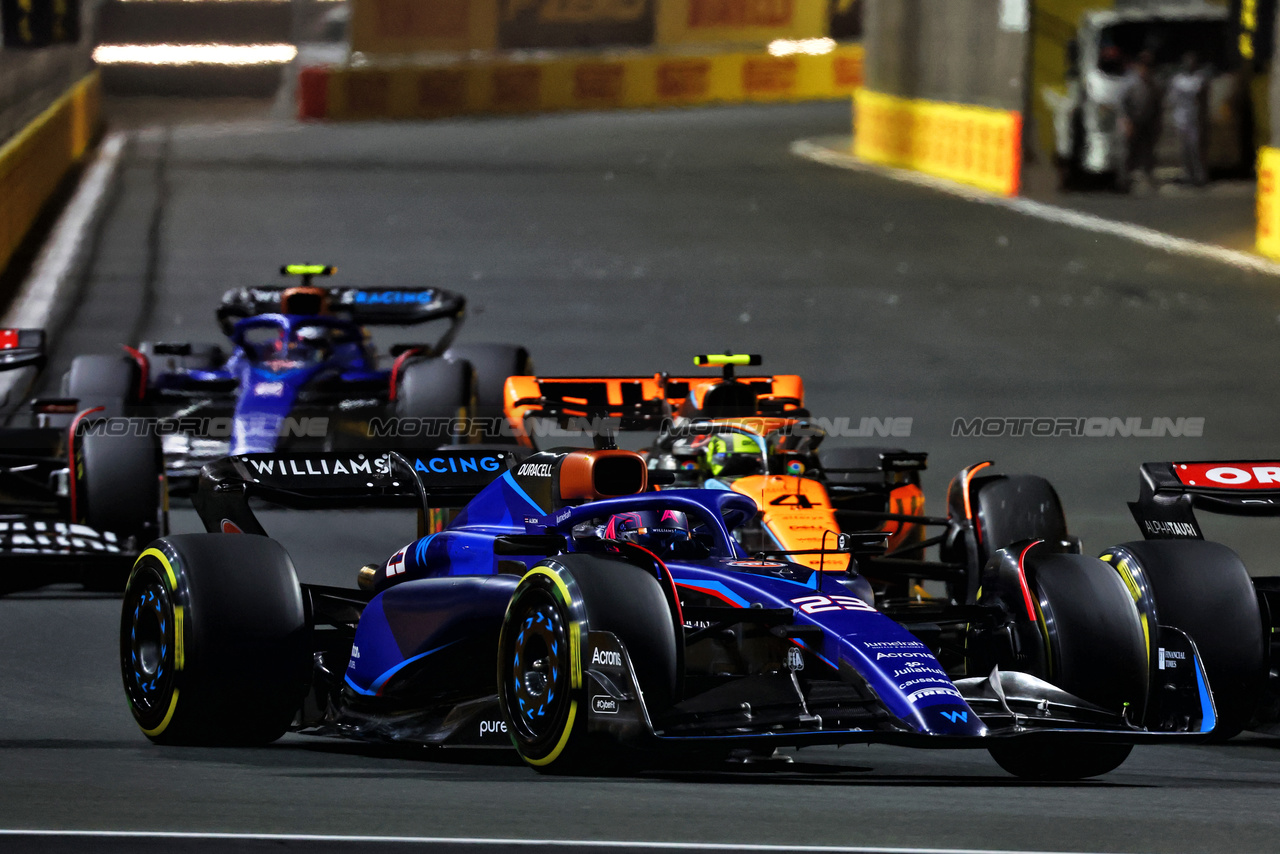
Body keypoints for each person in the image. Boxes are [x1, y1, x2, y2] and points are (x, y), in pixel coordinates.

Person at [1119, 51, 1162, 192]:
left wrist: (1157, 123)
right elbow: (1123, 103)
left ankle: (1148, 178)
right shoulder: (1131, 82)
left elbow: (1157, 105)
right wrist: (1126, 121)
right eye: (1143, 66)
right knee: (1130, 152)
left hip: (1148, 122)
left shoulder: (1154, 83)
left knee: (1148, 152)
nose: (1146, 69)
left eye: (1148, 66)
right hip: (1133, 121)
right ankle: (1125, 180)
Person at [1168, 51, 1209, 186]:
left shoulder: (1199, 78)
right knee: (1184, 150)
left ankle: (1200, 175)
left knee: (1196, 149)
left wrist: (1203, 117)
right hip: (1181, 118)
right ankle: (1188, 175)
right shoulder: (1177, 80)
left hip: (1194, 118)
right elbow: (1172, 99)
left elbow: (1203, 99)